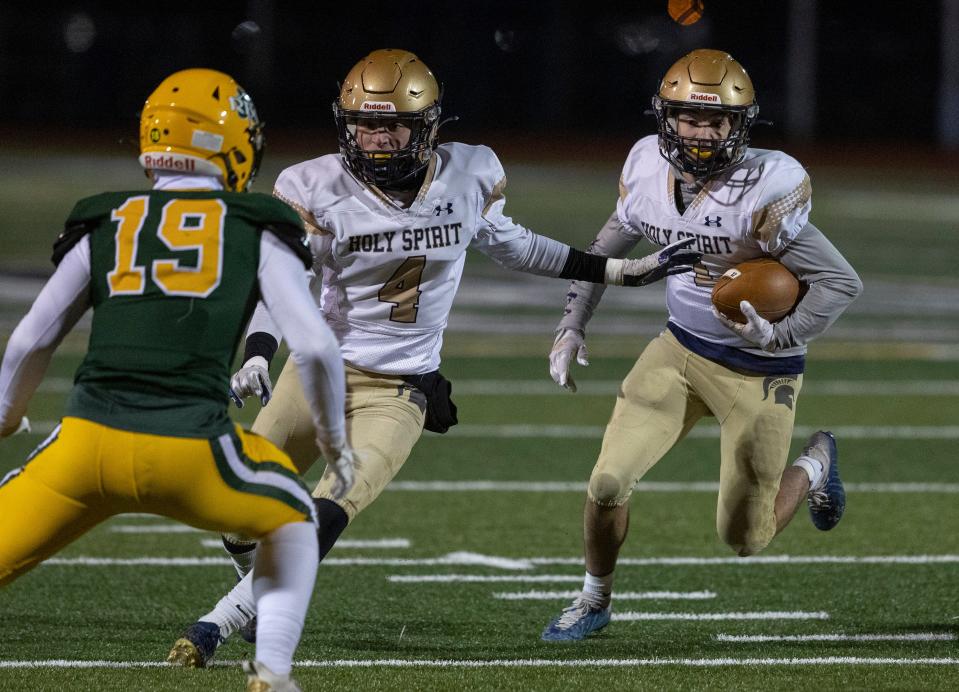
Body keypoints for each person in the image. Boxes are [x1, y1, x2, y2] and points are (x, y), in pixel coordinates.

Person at [167, 47, 703, 666]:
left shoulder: (466, 177)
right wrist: (260, 350)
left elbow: (519, 246)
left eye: (391, 124)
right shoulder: (314, 186)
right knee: (234, 513)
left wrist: (624, 270)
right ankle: (263, 587)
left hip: (399, 389)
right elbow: (283, 279)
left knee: (327, 511)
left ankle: (218, 622)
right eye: (364, 125)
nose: (376, 139)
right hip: (314, 370)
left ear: (426, 128)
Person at [0, 68, 355, 691]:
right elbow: (319, 348)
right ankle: (271, 671)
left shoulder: (107, 219)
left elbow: (32, 338)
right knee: (296, 516)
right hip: (192, 450)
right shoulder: (255, 224)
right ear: (233, 143)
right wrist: (332, 440)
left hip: (85, 449)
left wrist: (5, 417)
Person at [540, 48, 863, 641]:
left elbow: (842, 280)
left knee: (746, 538)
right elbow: (601, 253)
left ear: (740, 126)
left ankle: (817, 461)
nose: (704, 132)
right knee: (607, 482)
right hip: (678, 352)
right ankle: (593, 598)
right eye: (691, 117)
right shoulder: (644, 169)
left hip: (760, 369)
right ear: (667, 118)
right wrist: (572, 323)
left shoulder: (767, 185)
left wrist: (782, 332)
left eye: (718, 120)